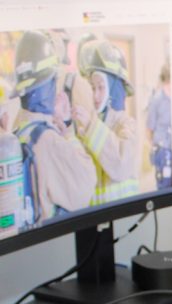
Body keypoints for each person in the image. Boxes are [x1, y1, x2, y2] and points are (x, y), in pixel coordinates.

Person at [12, 30, 96, 224]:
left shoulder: (17, 131)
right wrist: (68, 133)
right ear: (48, 82)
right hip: (50, 246)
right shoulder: (48, 139)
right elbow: (86, 183)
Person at [71, 39, 139, 204]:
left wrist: (90, 127)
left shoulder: (127, 125)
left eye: (101, 87)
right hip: (94, 221)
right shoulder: (88, 128)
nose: (95, 96)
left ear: (114, 88)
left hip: (123, 221)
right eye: (93, 88)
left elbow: (120, 165)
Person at [146, 63, 172, 189]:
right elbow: (149, 129)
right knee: (164, 188)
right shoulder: (157, 100)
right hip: (162, 151)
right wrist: (155, 148)